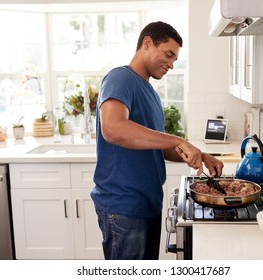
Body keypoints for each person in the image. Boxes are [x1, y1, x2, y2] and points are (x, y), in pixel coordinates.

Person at [91, 21, 224, 260]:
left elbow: (158, 149)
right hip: (124, 207)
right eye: (169, 54)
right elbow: (112, 128)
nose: (172, 65)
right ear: (147, 43)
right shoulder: (120, 78)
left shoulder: (149, 92)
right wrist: (178, 139)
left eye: (175, 59)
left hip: (148, 203)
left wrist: (198, 155)